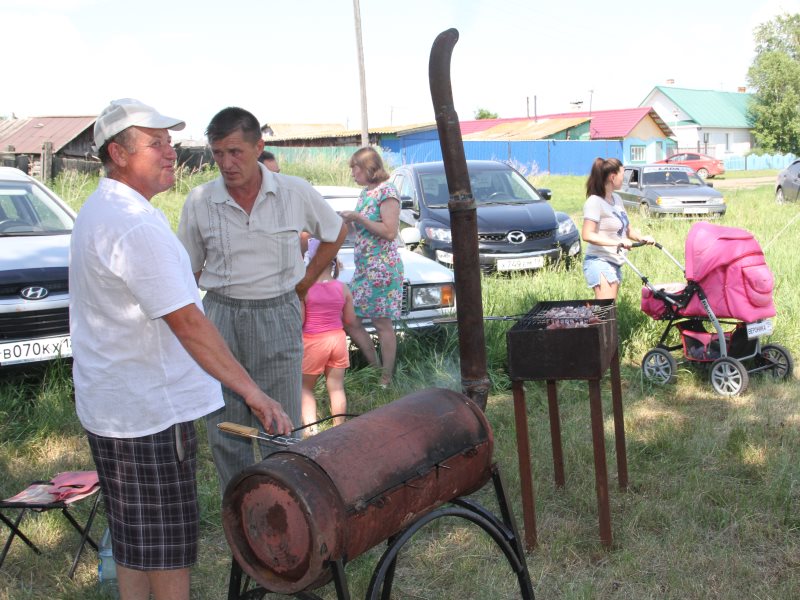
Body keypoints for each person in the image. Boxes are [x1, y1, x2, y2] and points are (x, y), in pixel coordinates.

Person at [70, 98, 292, 600]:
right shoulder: (133, 224)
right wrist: (256, 395)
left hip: (117, 406)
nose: (171, 152)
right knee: (166, 550)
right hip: (147, 413)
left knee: (136, 542)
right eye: (156, 143)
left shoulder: (105, 207)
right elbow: (190, 324)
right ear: (118, 153)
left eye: (170, 141)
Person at [178, 107, 346, 490]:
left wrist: (303, 284)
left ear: (259, 146)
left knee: (281, 422)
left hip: (277, 310)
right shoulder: (200, 200)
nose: (226, 163)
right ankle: (241, 509)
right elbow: (186, 268)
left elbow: (336, 231)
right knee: (225, 424)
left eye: (235, 151)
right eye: (218, 153)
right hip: (221, 313)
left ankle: (285, 507)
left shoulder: (294, 191)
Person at [338, 147, 404, 387]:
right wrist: (348, 221)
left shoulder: (387, 191)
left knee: (382, 323)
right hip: (365, 269)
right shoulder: (367, 193)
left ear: (369, 168)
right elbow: (365, 231)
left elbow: (389, 232)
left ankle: (385, 378)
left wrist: (359, 218)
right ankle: (375, 369)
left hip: (383, 269)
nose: (352, 173)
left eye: (355, 167)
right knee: (350, 319)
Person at [300, 238, 356, 435]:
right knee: (337, 388)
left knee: (305, 388)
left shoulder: (305, 289)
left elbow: (301, 321)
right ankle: (338, 428)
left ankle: (311, 429)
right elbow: (349, 320)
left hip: (313, 341)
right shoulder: (343, 288)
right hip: (337, 340)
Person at [581, 157, 654, 300]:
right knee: (605, 312)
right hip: (600, 260)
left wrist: (641, 238)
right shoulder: (594, 202)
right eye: (623, 174)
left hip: (615, 261)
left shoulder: (617, 200)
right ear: (612, 177)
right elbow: (587, 235)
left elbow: (627, 230)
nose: (624, 178)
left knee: (608, 311)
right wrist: (618, 243)